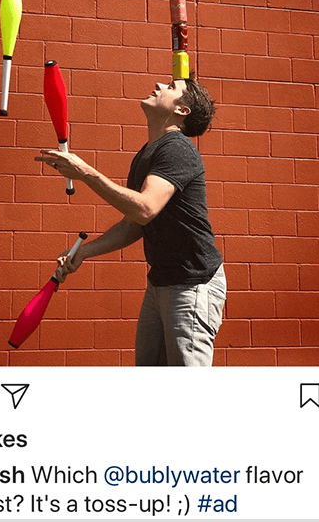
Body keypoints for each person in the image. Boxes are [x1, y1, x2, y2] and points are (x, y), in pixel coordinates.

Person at [36, 76, 226, 366]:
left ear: (182, 111)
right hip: (161, 282)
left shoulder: (177, 148)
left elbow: (145, 209)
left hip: (192, 284)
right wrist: (82, 253)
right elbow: (133, 225)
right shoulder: (146, 154)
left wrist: (85, 172)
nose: (161, 86)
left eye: (172, 88)